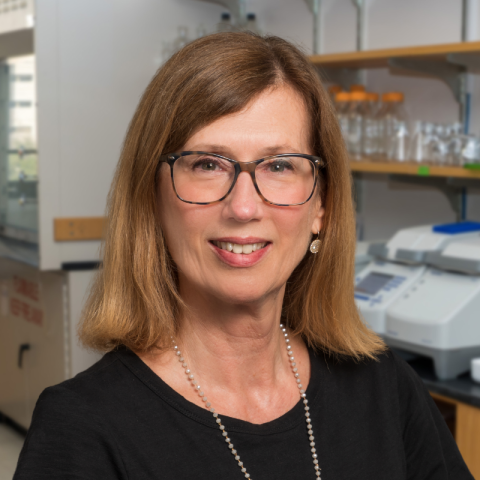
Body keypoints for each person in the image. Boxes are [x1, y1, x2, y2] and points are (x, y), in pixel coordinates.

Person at [14, 32, 473, 480]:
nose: (244, 208)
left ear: (321, 206)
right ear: (151, 199)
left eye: (279, 166)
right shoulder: (81, 427)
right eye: (208, 164)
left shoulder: (384, 387)